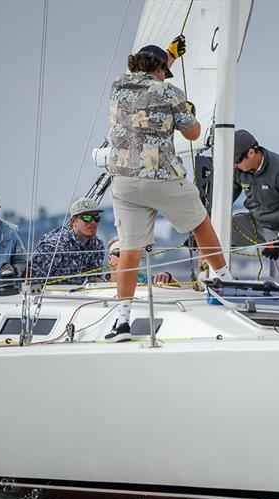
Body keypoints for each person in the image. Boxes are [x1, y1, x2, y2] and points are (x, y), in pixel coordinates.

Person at [105, 36, 232, 342]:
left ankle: (121, 321)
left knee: (130, 249)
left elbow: (147, 82)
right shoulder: (172, 93)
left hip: (122, 178)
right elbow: (192, 133)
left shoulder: (119, 86)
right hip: (159, 174)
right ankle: (225, 280)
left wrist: (169, 57)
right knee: (200, 222)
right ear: (161, 70)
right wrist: (187, 107)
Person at [232, 130, 279, 291]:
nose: (234, 166)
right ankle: (210, 282)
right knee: (214, 234)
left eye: (237, 161)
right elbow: (224, 198)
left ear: (251, 153)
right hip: (256, 223)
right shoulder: (239, 169)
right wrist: (203, 230)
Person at [30, 197, 106, 285]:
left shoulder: (97, 245)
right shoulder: (54, 246)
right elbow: (32, 282)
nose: (93, 222)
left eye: (96, 218)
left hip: (76, 295)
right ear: (73, 221)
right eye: (87, 217)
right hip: (48, 296)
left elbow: (95, 280)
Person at [106, 237, 175, 285]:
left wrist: (168, 278)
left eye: (129, 254)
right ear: (109, 260)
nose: (126, 258)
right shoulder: (99, 283)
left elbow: (176, 288)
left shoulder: (144, 280)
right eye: (120, 253)